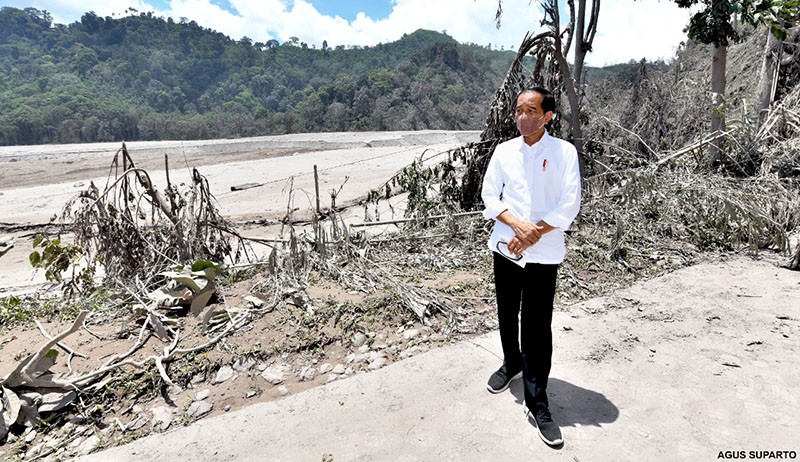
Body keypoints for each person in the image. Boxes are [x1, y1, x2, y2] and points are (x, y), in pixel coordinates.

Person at [481, 87, 581, 447]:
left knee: (537, 325)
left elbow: (569, 205)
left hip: (543, 252)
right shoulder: (504, 151)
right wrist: (516, 225)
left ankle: (538, 402)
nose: (524, 117)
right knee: (506, 312)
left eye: (532, 110)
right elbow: (489, 195)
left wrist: (531, 232)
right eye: (519, 110)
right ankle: (512, 363)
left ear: (548, 115)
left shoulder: (563, 152)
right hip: (506, 247)